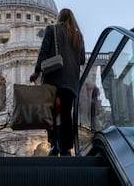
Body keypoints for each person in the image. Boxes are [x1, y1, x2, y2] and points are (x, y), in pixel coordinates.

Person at [30, 8, 85, 156]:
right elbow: (82, 60)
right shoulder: (78, 36)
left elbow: (44, 51)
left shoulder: (52, 30)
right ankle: (66, 148)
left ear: (59, 17)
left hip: (53, 79)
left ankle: (54, 144)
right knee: (66, 113)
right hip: (70, 82)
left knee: (52, 113)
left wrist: (36, 71)